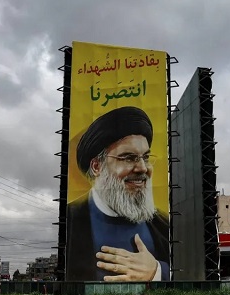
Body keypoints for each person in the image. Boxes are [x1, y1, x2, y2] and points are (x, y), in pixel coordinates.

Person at [65, 106, 170, 282]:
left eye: (145, 157)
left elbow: (187, 271)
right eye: (128, 158)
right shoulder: (70, 220)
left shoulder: (162, 225)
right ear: (97, 166)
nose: (142, 168)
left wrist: (157, 271)